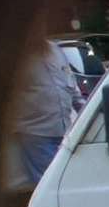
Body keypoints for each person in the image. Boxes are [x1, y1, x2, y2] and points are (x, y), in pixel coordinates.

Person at [15, 33, 84, 183]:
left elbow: (70, 82)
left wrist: (84, 111)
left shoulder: (55, 50)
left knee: (65, 180)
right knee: (50, 183)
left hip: (64, 131)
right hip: (36, 133)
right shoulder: (17, 54)